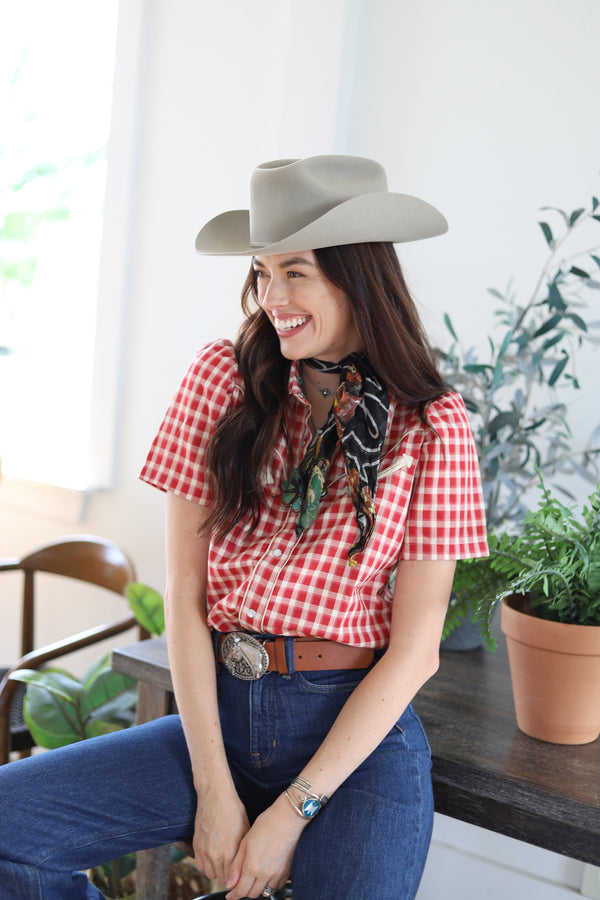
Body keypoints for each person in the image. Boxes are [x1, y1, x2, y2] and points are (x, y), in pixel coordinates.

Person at [0, 155, 488, 900]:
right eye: (262, 273)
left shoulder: (434, 427)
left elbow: (418, 650)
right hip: (221, 716)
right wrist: (215, 789)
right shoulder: (221, 381)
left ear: (359, 277)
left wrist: (292, 812)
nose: (272, 298)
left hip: (351, 740)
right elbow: (184, 597)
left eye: (296, 272)